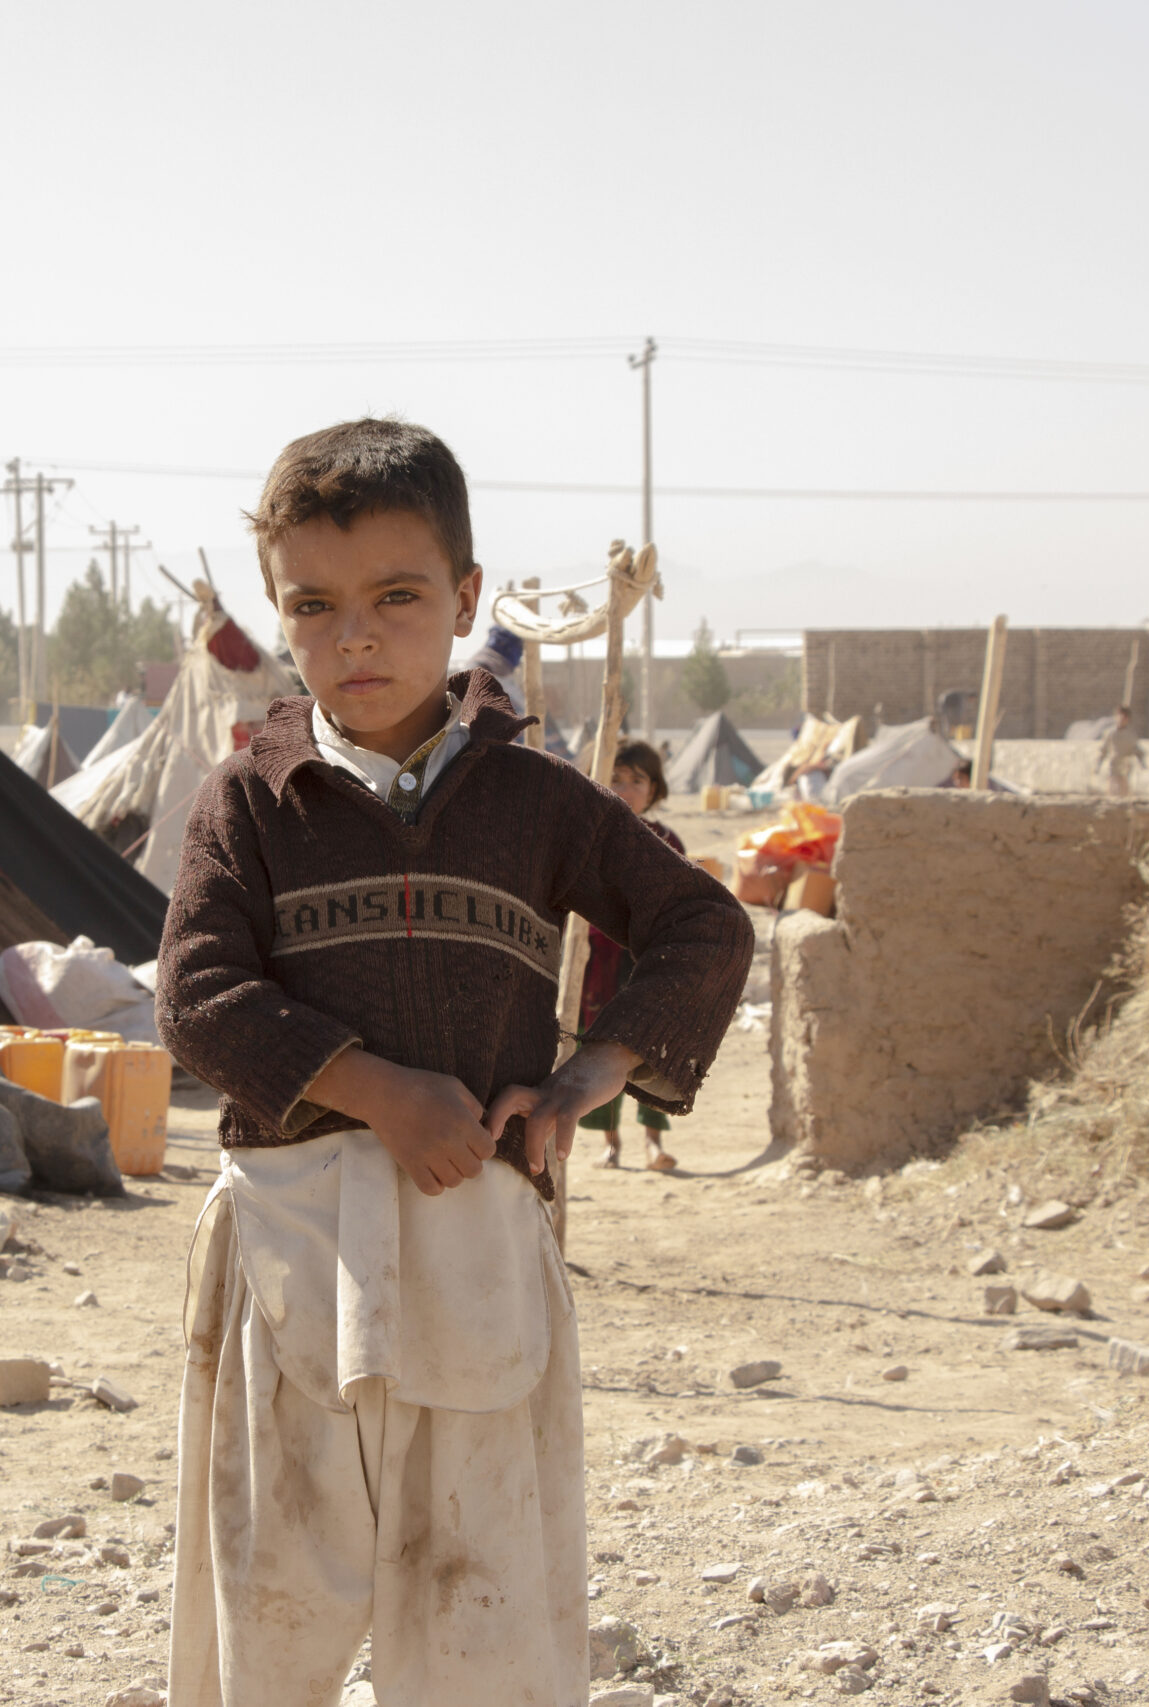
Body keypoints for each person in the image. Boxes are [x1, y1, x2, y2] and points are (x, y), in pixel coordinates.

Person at [157, 418, 752, 1705]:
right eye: (312, 606)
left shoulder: (535, 800)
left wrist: (587, 1080)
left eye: (396, 598)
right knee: (275, 1606)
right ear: (276, 611)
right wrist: (379, 1092)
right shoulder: (245, 804)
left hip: (475, 1233)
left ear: (466, 599)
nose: (353, 636)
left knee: (480, 1608)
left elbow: (703, 926)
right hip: (294, 1241)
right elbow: (198, 1001)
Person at [578, 738, 687, 1172]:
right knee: (600, 1048)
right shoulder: (584, 842)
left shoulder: (666, 842)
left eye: (636, 780)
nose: (624, 788)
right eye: (615, 778)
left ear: (654, 789)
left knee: (653, 1052)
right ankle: (611, 1141)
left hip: (648, 964)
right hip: (596, 964)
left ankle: (653, 1141)